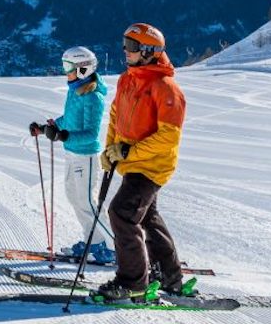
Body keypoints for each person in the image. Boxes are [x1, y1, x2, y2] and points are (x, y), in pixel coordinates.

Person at [95, 23, 194, 304]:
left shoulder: (167, 89)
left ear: (150, 51)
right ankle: (169, 276)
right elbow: (116, 116)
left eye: (133, 46)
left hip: (152, 166)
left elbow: (167, 138)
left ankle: (133, 283)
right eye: (125, 44)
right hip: (132, 161)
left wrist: (127, 152)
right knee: (147, 217)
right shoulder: (127, 79)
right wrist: (110, 150)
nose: (126, 51)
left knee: (122, 213)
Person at [28, 47, 113, 265]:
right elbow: (69, 119)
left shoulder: (93, 97)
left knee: (87, 202)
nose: (65, 71)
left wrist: (63, 136)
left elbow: (91, 133)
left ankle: (115, 247)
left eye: (68, 67)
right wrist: (46, 128)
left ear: (83, 69)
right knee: (74, 197)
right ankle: (94, 242)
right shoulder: (75, 91)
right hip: (72, 154)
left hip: (86, 156)